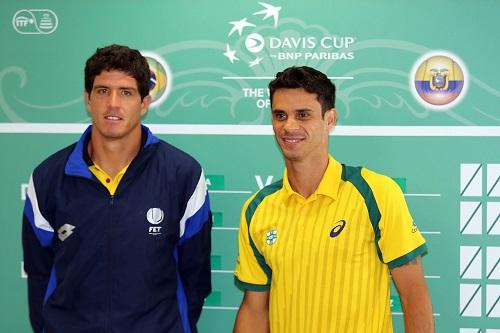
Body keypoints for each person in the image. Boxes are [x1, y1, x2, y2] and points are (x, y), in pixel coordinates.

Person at [22, 44, 212, 333]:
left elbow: (194, 278)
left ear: (145, 102)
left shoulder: (182, 174)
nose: (113, 103)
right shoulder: (48, 177)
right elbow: (39, 275)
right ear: (88, 99)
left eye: (125, 92)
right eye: (102, 91)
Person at [233, 66, 434, 332]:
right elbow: (255, 308)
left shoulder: (376, 192)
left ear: (330, 119)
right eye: (280, 115)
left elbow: (413, 295)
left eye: (303, 115)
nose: (289, 126)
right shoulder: (257, 209)